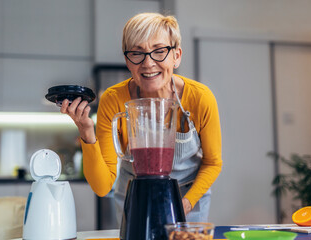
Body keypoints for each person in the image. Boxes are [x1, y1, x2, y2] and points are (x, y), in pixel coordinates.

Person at [61, 12, 222, 223]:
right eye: (137, 54)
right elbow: (102, 187)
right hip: (136, 201)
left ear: (177, 56)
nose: (148, 63)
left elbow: (212, 163)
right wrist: (86, 131)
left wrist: (186, 202)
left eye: (159, 51)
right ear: (127, 60)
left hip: (188, 203)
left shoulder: (200, 98)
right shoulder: (113, 100)